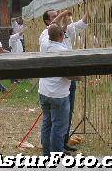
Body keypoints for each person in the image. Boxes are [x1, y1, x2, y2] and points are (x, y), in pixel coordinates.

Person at [39, 24, 81, 156]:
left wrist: (60, 16)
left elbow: (50, 29)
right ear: (62, 35)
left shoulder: (44, 43)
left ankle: (46, 155)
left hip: (44, 91)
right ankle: (56, 158)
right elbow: (68, 74)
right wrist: (80, 76)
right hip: (58, 94)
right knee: (58, 128)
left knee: (47, 124)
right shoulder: (63, 51)